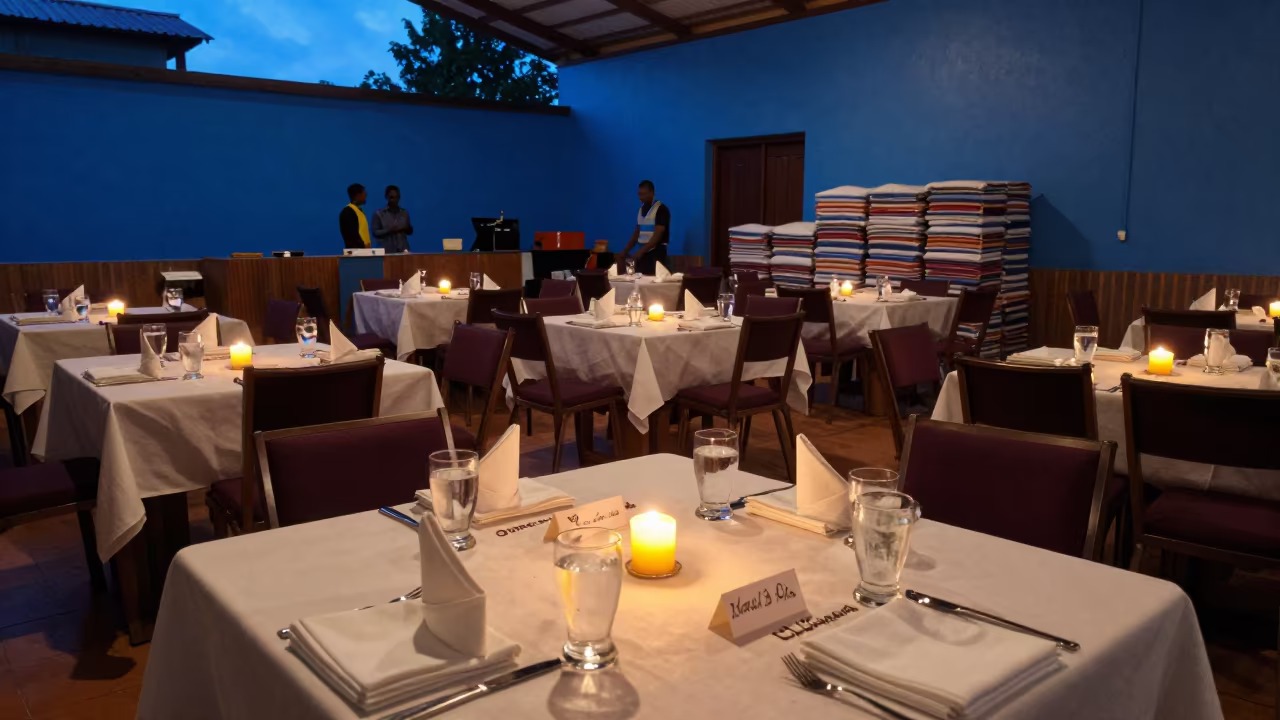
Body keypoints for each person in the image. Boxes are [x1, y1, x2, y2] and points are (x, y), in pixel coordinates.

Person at [619, 180, 669, 275]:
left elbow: (657, 236)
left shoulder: (661, 209)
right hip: (642, 255)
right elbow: (636, 234)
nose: (641, 197)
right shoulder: (641, 210)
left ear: (652, 193)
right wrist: (625, 251)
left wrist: (640, 252)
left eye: (644, 194)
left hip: (656, 254)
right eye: (639, 194)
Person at [372, 185, 414, 253]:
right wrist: (389, 230)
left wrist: (407, 228)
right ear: (386, 197)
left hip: (403, 250)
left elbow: (410, 231)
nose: (394, 200)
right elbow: (375, 233)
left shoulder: (404, 213)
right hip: (387, 252)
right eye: (391, 197)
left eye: (397, 197)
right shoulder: (379, 214)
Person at [339, 183, 371, 250]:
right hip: (356, 255)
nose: (366, 195)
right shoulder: (348, 212)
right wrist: (363, 247)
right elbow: (351, 235)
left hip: (365, 252)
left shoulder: (359, 211)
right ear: (358, 195)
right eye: (364, 193)